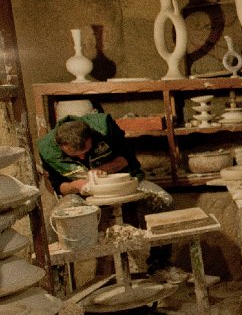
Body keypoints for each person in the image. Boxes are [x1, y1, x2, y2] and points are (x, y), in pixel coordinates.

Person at [37, 113, 174, 273]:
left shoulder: (104, 128)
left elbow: (128, 157)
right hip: (84, 193)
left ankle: (159, 264)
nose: (82, 156)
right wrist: (77, 185)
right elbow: (57, 186)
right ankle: (62, 280)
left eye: (86, 150)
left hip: (124, 185)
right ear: (60, 146)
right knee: (57, 219)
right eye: (75, 155)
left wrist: (103, 170)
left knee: (165, 201)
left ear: (91, 137)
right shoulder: (47, 149)